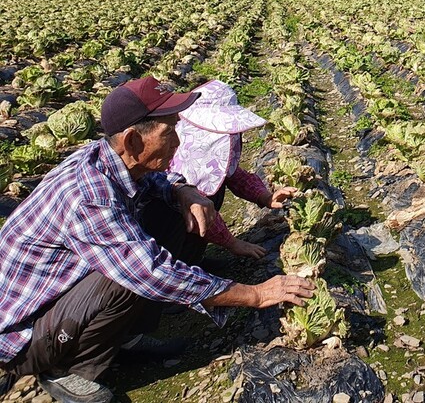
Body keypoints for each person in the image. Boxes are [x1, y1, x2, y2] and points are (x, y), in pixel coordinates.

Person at [0, 77, 314, 403]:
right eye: (169, 132)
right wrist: (257, 294)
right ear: (134, 141)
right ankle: (66, 369)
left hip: (62, 300)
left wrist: (184, 190)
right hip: (24, 335)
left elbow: (159, 180)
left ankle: (125, 337)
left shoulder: (114, 159)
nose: (178, 141)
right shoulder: (89, 195)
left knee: (165, 218)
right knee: (128, 276)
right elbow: (151, 272)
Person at [169, 79, 297, 263]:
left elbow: (231, 174)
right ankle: (182, 265)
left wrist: (264, 196)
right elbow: (199, 207)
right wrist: (232, 243)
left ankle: (191, 259)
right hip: (160, 242)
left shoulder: (203, 154)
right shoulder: (183, 157)